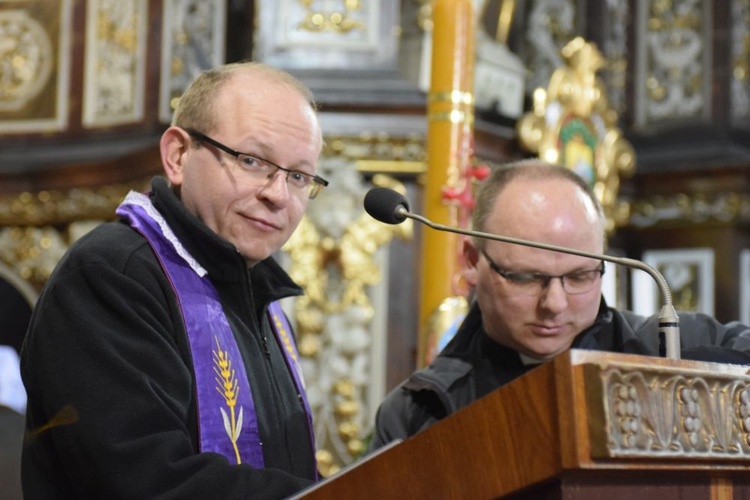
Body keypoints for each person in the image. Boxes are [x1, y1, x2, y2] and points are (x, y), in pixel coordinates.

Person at [21, 62, 328, 499]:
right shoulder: (112, 274)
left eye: (298, 176)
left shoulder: (263, 301)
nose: (277, 195)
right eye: (253, 161)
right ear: (178, 155)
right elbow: (144, 481)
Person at [368, 159, 750, 450]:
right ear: (471, 261)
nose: (554, 303)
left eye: (580, 276)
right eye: (526, 277)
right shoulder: (418, 412)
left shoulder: (671, 347)